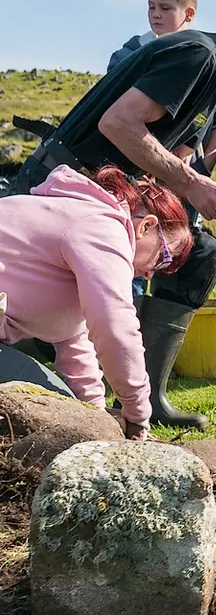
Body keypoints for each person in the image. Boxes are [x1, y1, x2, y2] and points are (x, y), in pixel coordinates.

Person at [6, 0, 216, 428]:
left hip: (106, 197)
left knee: (200, 252)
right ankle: (38, 389)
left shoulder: (213, 79)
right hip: (62, 192)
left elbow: (166, 159)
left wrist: (211, 189)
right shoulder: (196, 55)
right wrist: (191, 183)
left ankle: (148, 393)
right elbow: (118, 123)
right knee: (58, 316)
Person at [0, 165, 194, 441]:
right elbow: (114, 327)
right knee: (59, 418)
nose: (152, 273)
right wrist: (138, 414)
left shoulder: (80, 216)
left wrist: (98, 418)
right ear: (146, 226)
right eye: (163, 257)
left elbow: (75, 343)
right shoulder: (103, 227)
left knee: (74, 418)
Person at [107, 0, 216, 297]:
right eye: (151, 7)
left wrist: (189, 158)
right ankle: (127, 307)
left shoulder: (206, 60)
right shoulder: (130, 53)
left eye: (165, 7)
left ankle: (158, 319)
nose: (156, 14)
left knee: (168, 249)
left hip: (176, 173)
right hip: (131, 168)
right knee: (131, 245)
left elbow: (212, 114)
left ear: (188, 13)